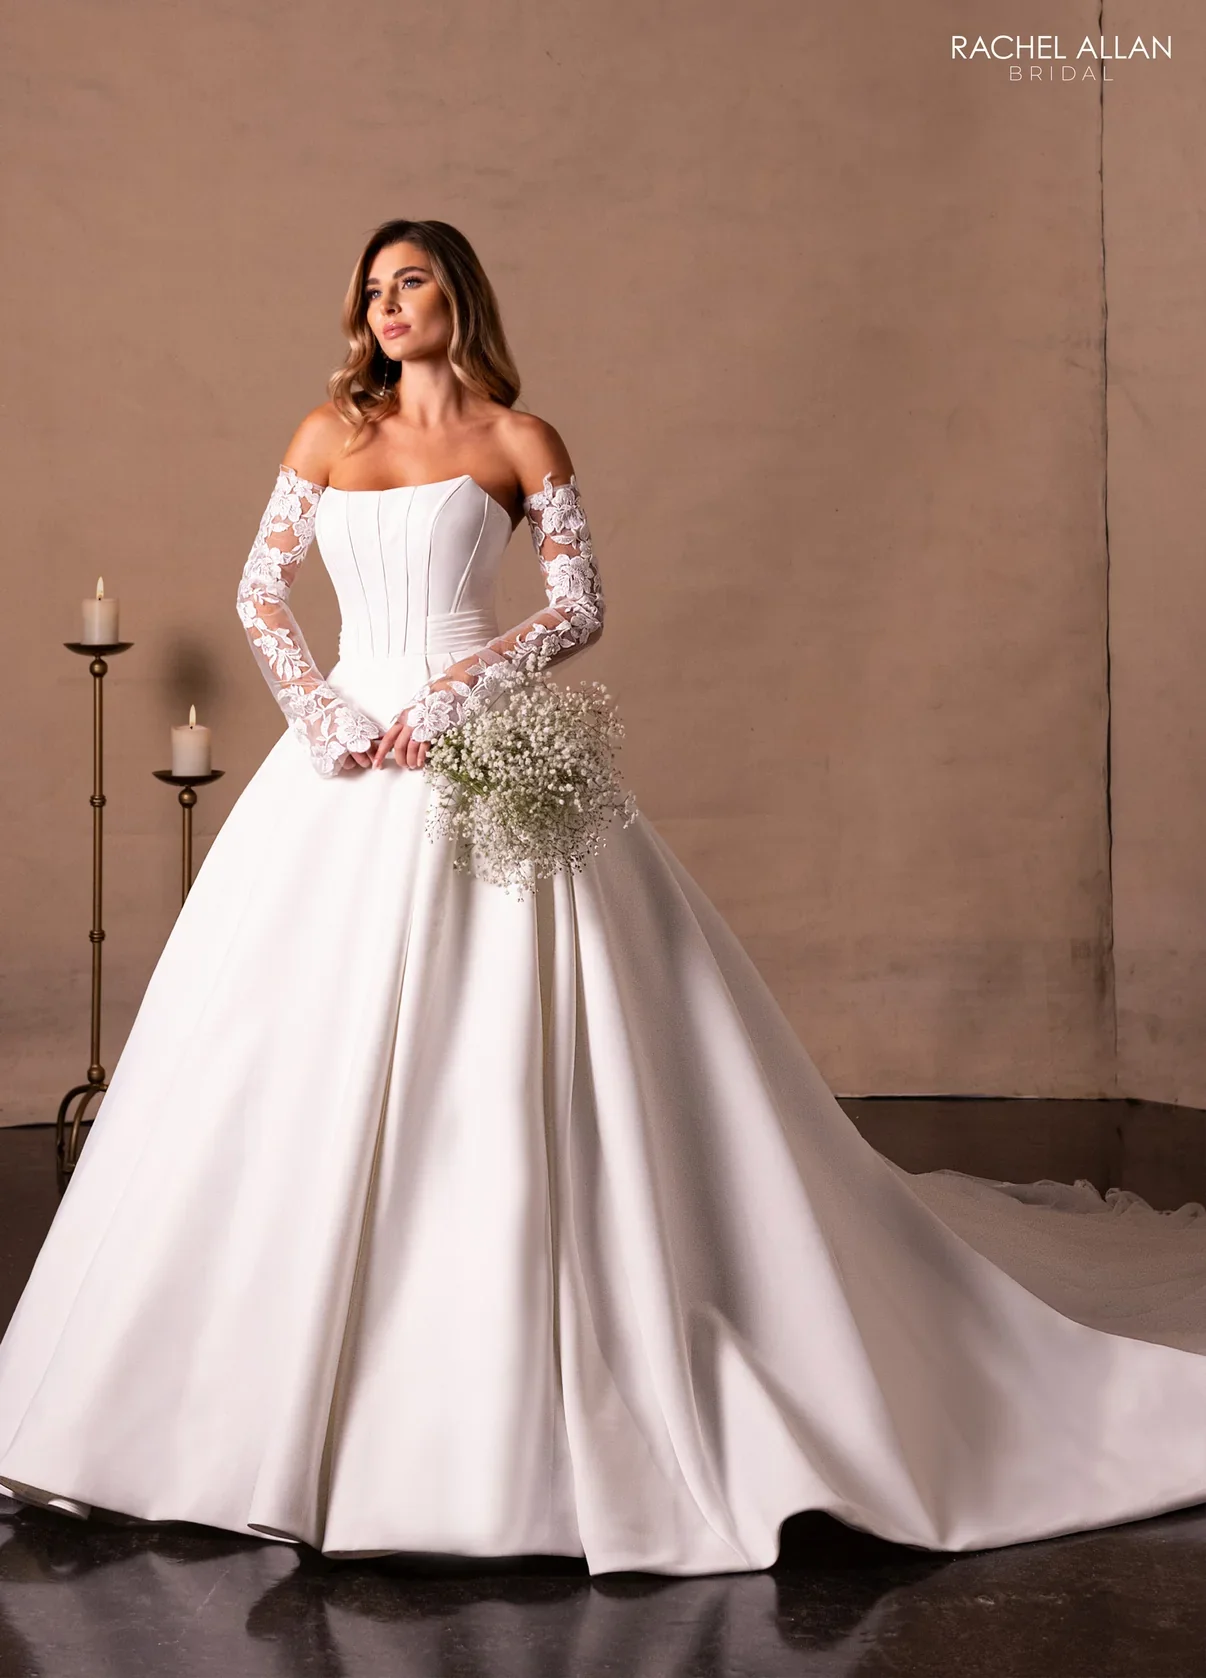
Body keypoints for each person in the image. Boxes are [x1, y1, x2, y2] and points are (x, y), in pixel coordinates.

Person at [0, 219, 1203, 1577]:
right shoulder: (328, 431)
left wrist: (460, 693)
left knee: (528, 1058)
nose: (390, 306)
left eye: (414, 283)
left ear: (459, 298)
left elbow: (576, 604)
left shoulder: (523, 439)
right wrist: (325, 710)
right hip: (338, 758)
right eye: (374, 289)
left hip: (478, 738)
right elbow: (257, 586)